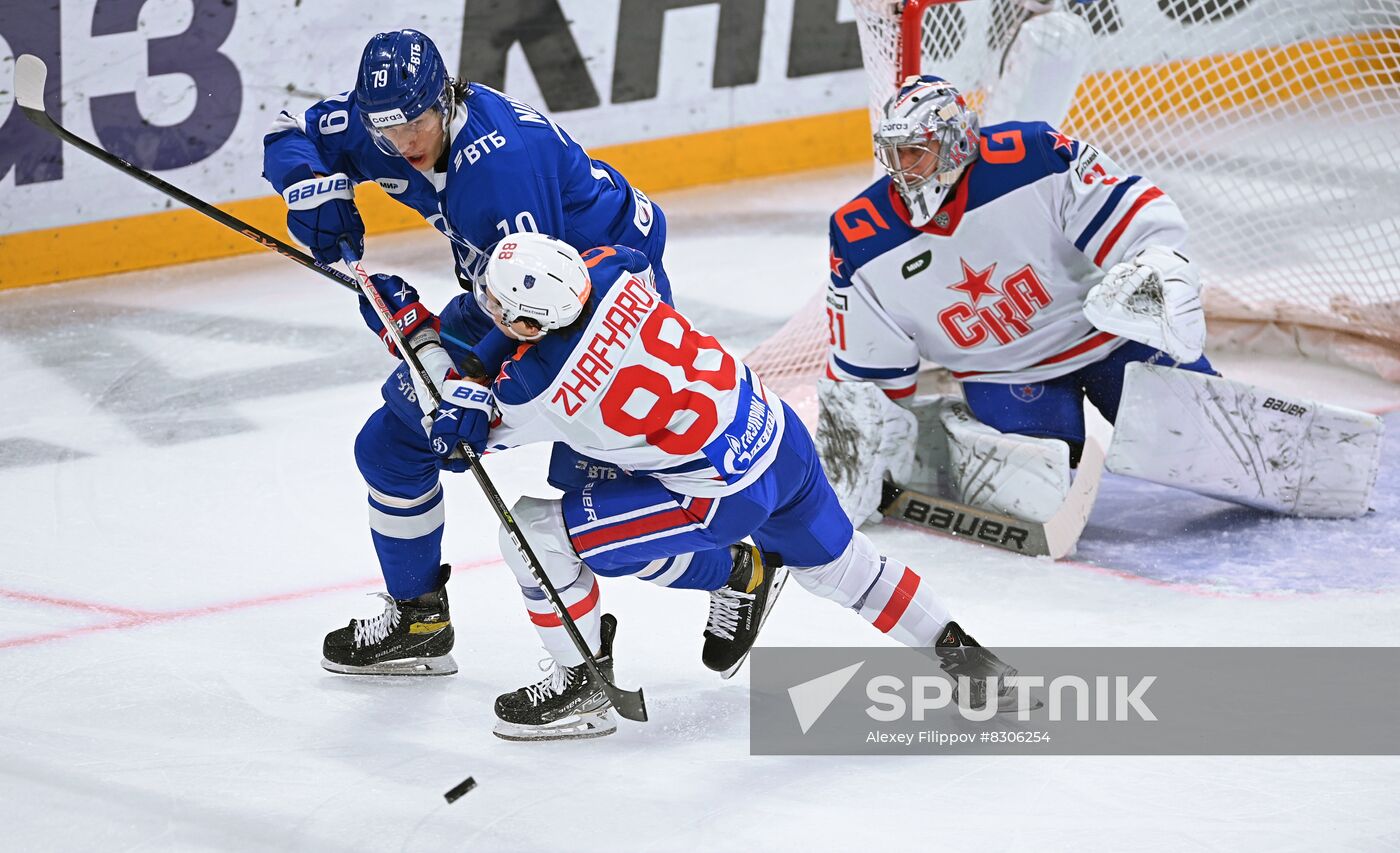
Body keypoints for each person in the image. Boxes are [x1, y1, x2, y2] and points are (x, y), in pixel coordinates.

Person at [426, 233, 1028, 741]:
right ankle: (970, 661)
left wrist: (446, 367)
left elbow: (463, 441)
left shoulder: (537, 385)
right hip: (775, 435)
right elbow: (623, 260)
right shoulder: (610, 271)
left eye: (498, 306)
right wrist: (495, 352)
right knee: (848, 571)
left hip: (715, 495)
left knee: (534, 536)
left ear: (528, 321)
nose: (485, 307)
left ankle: (581, 684)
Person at [260, 29, 694, 676]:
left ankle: (740, 570)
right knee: (392, 445)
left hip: (599, 301)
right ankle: (419, 618)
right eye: (387, 130)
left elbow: (538, 313)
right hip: (512, 288)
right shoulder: (384, 123)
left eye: (415, 123)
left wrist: (455, 377)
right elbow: (290, 125)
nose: (404, 144)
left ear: (445, 99)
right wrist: (307, 186)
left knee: (601, 502)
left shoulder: (500, 172)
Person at [818, 75, 1379, 527]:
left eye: (916, 151)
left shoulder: (1030, 157)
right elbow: (870, 372)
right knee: (1031, 490)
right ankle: (969, 433)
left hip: (1108, 340)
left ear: (957, 141)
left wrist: (1154, 277)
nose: (903, 167)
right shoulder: (861, 234)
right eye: (894, 152)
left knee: (1219, 440)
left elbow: (1140, 223)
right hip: (1003, 373)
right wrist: (862, 449)